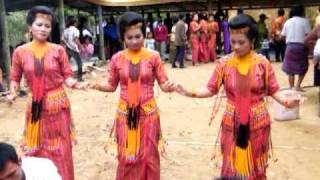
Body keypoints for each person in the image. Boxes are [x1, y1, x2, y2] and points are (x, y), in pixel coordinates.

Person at [176, 14, 300, 179]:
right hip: (231, 122)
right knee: (231, 162)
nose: (235, 46)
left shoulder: (263, 64)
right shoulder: (224, 63)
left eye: (241, 42)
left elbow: (273, 89)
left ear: (253, 41)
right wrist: (189, 92)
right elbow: (210, 89)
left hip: (258, 123)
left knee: (255, 165)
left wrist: (286, 101)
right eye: (233, 41)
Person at [89, 12, 176, 180]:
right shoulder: (116, 59)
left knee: (149, 157)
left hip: (149, 115)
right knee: (127, 156)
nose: (135, 41)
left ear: (144, 34)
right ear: (123, 37)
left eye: (138, 36)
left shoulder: (154, 57)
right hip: (125, 116)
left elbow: (164, 84)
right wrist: (96, 85)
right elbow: (111, 86)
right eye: (130, 37)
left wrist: (170, 87)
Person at [6, 6, 88, 180]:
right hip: (35, 108)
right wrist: (13, 93)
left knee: (62, 149)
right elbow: (14, 78)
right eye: (39, 25)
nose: (43, 29)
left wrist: (75, 84)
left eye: (47, 26)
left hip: (58, 106)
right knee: (36, 147)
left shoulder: (58, 50)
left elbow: (67, 76)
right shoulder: (20, 52)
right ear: (30, 27)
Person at [281, 5, 311, 91]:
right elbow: (308, 36)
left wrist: (288, 41)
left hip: (290, 46)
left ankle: (291, 87)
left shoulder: (287, 22)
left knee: (290, 69)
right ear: (302, 12)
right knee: (304, 66)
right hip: (301, 46)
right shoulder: (305, 21)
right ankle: (298, 85)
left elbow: (282, 36)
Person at [62, 16, 83, 81]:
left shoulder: (65, 30)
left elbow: (62, 40)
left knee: (66, 64)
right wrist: (80, 46)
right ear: (75, 23)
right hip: (74, 48)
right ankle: (79, 78)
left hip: (67, 48)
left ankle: (64, 77)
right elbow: (76, 39)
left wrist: (63, 48)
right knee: (79, 63)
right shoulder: (75, 30)